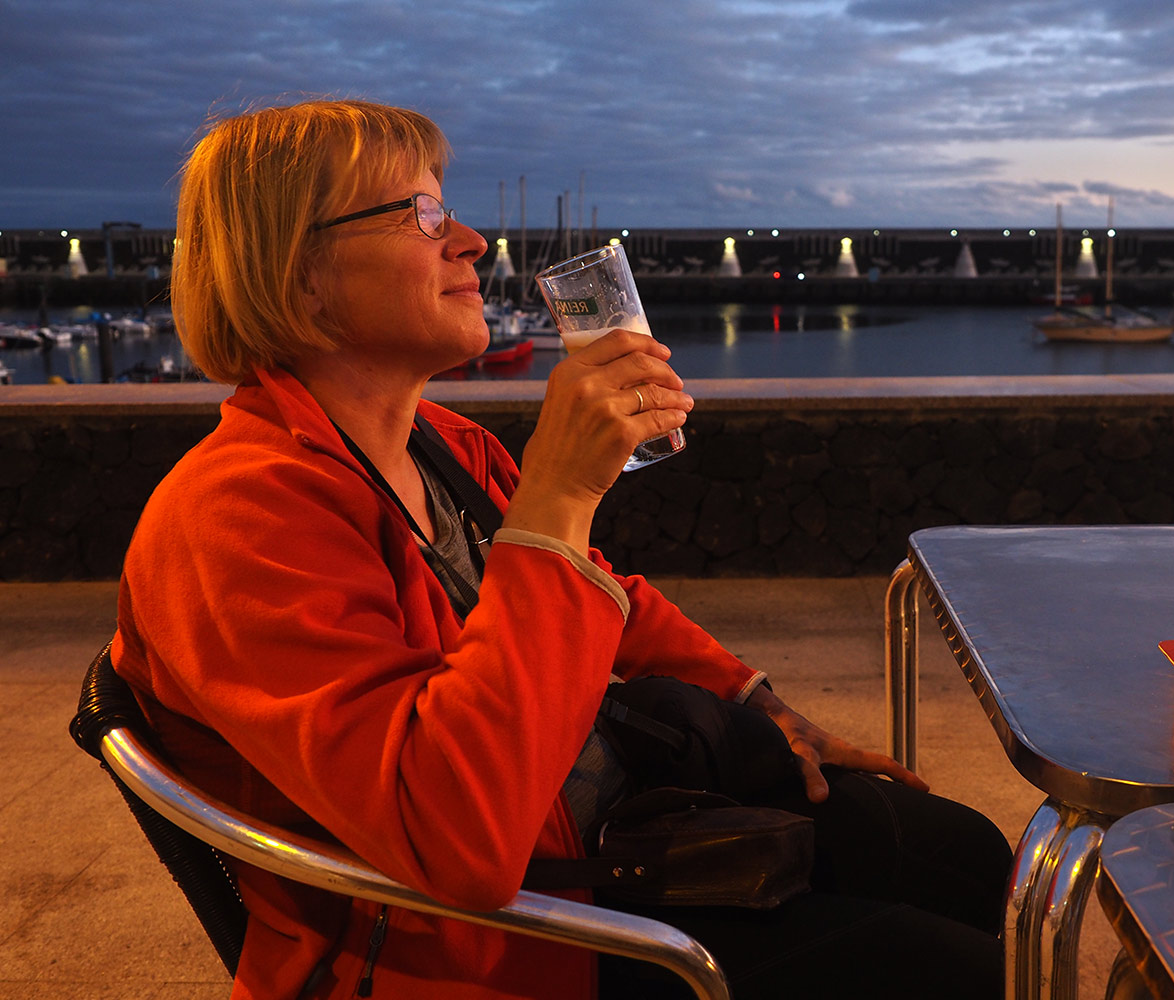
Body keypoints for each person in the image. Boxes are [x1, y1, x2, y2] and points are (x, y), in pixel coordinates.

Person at [111, 98, 1012, 1000]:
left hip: (604, 835)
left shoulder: (445, 446)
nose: (470, 241)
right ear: (300, 274)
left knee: (962, 853)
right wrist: (559, 497)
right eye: (421, 214)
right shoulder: (237, 516)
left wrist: (764, 707)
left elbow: (608, 597)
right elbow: (458, 840)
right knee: (955, 975)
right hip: (495, 945)